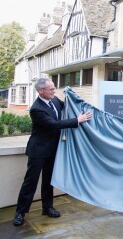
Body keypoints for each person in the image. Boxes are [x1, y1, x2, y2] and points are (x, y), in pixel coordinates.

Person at [13, 78, 92, 226]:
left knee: (49, 180)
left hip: (53, 149)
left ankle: (47, 207)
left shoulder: (54, 99)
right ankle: (20, 213)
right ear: (40, 91)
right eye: (50, 89)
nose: (54, 91)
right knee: (31, 182)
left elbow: (67, 106)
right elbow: (53, 125)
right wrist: (77, 120)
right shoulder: (36, 109)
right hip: (38, 150)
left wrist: (76, 100)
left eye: (54, 88)